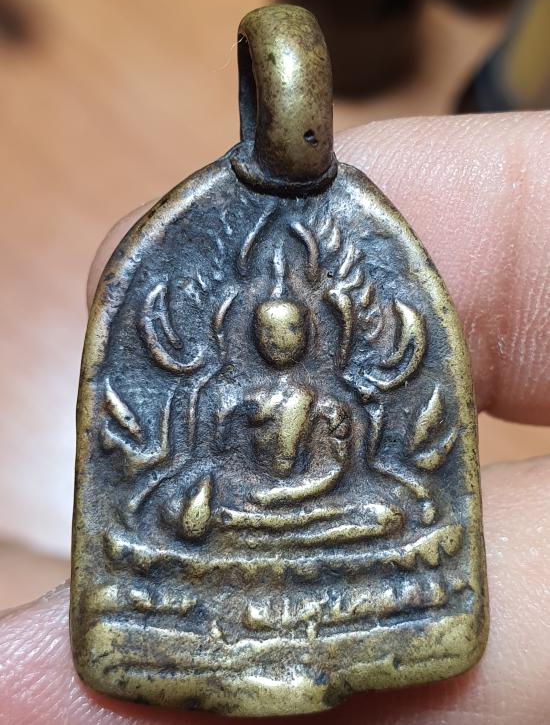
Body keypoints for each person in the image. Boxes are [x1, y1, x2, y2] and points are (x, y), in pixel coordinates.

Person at [1, 112, 548, 724]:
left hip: (315, 513)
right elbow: (205, 467)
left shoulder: (330, 401)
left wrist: (306, 495)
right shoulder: (224, 396)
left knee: (381, 515)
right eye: (269, 331)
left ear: (311, 332)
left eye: (291, 331)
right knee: (180, 520)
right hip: (247, 512)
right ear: (251, 333)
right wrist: (210, 497)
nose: (280, 341)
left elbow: (345, 472)